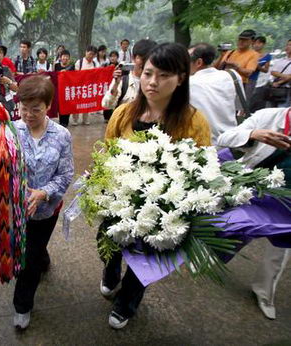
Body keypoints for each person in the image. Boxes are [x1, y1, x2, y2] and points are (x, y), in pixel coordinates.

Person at [104, 43, 211, 329]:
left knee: (146, 259)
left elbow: (202, 170)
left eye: (164, 75)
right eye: (148, 73)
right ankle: (110, 270)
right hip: (118, 201)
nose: (152, 82)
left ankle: (126, 302)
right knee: (111, 242)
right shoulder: (124, 114)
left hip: (161, 210)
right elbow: (107, 152)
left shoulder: (193, 122)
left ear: (181, 78)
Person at [0, 75, 74, 330]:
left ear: (48, 106)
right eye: (24, 108)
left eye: (35, 109)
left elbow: (66, 174)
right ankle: (29, 287)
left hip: (47, 209)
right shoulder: (12, 130)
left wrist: (44, 193)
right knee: (29, 255)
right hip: (17, 208)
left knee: (31, 257)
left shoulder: (62, 135)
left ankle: (24, 301)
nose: (28, 114)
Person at [217, 107, 291, 320]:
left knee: (281, 249)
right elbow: (224, 137)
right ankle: (211, 255)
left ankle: (264, 293)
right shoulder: (269, 116)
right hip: (253, 189)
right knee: (233, 227)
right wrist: (252, 135)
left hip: (287, 201)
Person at [189, 42, 244, 145]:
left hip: (204, 145)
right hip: (232, 142)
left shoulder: (188, 84)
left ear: (199, 62)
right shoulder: (232, 76)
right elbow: (239, 108)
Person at [102, 39, 157, 122]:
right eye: (142, 58)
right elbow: (107, 104)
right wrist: (115, 85)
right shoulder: (122, 81)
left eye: (150, 59)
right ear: (133, 58)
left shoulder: (158, 82)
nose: (146, 63)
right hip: (125, 128)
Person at [73, 45, 98, 125]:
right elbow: (75, 74)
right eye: (90, 53)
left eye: (93, 54)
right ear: (86, 52)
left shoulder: (94, 63)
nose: (91, 56)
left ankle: (85, 119)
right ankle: (75, 120)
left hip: (89, 87)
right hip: (79, 86)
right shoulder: (79, 62)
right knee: (77, 103)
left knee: (87, 103)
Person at [246, 36, 272, 101]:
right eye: (255, 43)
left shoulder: (267, 56)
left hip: (253, 79)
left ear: (263, 44)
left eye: (259, 43)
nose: (256, 45)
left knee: (247, 98)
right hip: (244, 76)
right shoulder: (248, 53)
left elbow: (266, 70)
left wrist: (257, 66)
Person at [267, 39, 291, 107]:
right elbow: (273, 72)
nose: (288, 47)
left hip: (287, 90)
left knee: (281, 111)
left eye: (290, 45)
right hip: (274, 88)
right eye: (287, 45)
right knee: (270, 110)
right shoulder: (281, 60)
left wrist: (278, 82)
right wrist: (285, 76)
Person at [54, 50, 75, 127]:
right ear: (60, 57)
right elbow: (54, 76)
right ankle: (61, 121)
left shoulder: (72, 66)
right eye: (64, 56)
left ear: (69, 58)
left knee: (67, 106)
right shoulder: (56, 66)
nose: (65, 58)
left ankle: (66, 122)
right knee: (60, 106)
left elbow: (74, 77)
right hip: (59, 89)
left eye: (67, 56)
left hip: (68, 89)